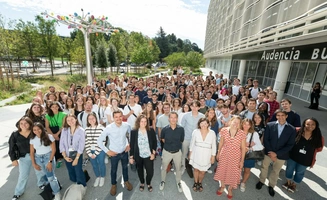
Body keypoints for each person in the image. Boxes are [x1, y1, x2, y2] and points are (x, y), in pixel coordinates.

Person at [256, 109, 296, 197]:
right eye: (278, 115)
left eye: (282, 115)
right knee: (264, 167)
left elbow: (290, 145)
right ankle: (261, 181)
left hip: (282, 155)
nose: (280, 117)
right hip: (268, 152)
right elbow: (266, 140)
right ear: (276, 116)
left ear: (286, 116)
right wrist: (271, 153)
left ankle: (271, 185)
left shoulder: (292, 129)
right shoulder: (270, 125)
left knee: (276, 171)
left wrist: (276, 154)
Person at [282, 118, 324, 193]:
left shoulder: (319, 137)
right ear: (304, 124)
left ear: (316, 125)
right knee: (289, 169)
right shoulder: (297, 131)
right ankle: (288, 182)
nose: (310, 126)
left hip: (306, 159)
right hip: (292, 156)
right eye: (308, 124)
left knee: (300, 172)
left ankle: (294, 184)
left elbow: (319, 148)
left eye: (312, 124)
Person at [97, 110, 133, 196]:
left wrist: (129, 144)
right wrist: (107, 151)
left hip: (124, 152)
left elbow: (131, 134)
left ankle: (126, 181)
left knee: (125, 168)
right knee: (113, 170)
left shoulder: (127, 125)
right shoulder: (109, 128)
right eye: (116, 117)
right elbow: (99, 141)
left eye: (120, 116)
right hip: (114, 154)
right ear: (113, 118)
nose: (118, 118)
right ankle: (113, 184)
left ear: (122, 117)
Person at [8, 117, 44, 200]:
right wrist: (13, 159)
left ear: (30, 124)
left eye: (26, 123)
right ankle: (18, 192)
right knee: (23, 175)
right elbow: (11, 147)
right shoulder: (15, 134)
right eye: (21, 123)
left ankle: (41, 184)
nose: (23, 125)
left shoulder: (34, 132)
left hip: (36, 155)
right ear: (19, 125)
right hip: (24, 157)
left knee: (39, 171)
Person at [214, 116, 246, 199]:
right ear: (231, 121)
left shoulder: (242, 133)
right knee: (222, 170)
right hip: (224, 153)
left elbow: (243, 148)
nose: (236, 124)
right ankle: (222, 186)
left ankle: (230, 188)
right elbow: (221, 142)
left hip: (236, 155)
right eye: (234, 122)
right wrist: (218, 152)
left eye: (238, 123)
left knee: (234, 172)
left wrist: (242, 161)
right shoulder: (224, 130)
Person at [30, 122, 61, 200]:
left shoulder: (49, 136)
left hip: (48, 156)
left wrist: (50, 162)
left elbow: (54, 149)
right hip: (38, 158)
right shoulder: (32, 139)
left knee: (51, 177)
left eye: (38, 129)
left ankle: (57, 192)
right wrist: (34, 163)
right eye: (34, 130)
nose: (37, 131)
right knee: (45, 175)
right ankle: (54, 186)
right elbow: (32, 152)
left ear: (42, 128)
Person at [129, 115, 157, 192]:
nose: (143, 123)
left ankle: (148, 182)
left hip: (148, 155)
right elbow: (132, 144)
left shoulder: (151, 130)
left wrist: (153, 153)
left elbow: (154, 142)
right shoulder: (134, 131)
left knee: (150, 172)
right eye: (142, 121)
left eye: (145, 121)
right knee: (140, 170)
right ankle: (142, 182)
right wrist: (131, 157)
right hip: (138, 155)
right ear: (138, 122)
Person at [159, 111, 185, 193]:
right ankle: (163, 181)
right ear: (169, 119)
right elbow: (163, 139)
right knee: (164, 168)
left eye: (175, 117)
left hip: (177, 152)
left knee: (178, 168)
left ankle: (178, 182)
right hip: (167, 152)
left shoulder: (181, 129)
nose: (173, 119)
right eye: (171, 117)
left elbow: (181, 140)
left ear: (177, 119)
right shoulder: (164, 129)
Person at [189, 118, 216, 192]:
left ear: (208, 124)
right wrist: (190, 153)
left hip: (207, 155)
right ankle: (195, 182)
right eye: (201, 123)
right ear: (199, 124)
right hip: (196, 153)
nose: (203, 125)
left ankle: (200, 182)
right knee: (196, 169)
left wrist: (213, 156)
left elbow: (214, 145)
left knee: (203, 171)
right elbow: (192, 143)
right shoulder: (195, 131)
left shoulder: (212, 133)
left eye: (205, 123)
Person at [59, 114, 87, 187]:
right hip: (67, 154)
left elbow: (81, 146)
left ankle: (82, 185)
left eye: (72, 119)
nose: (70, 121)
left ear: (76, 119)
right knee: (70, 170)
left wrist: (76, 159)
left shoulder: (81, 130)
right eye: (68, 120)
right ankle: (74, 181)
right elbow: (61, 143)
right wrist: (64, 156)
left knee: (78, 170)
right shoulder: (64, 130)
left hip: (77, 154)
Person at [240, 119, 264, 192]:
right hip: (239, 154)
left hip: (249, 155)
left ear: (251, 125)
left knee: (247, 170)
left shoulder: (254, 134)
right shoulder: (238, 132)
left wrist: (250, 147)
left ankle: (243, 183)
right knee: (238, 168)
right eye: (244, 124)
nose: (246, 126)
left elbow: (260, 147)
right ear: (242, 124)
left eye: (248, 124)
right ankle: (236, 178)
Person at [181, 100, 205, 174]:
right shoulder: (186, 115)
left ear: (199, 107)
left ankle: (193, 167)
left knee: (194, 154)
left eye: (196, 106)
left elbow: (203, 128)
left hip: (196, 140)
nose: (194, 108)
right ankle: (183, 167)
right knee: (184, 153)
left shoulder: (202, 116)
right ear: (190, 107)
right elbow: (182, 127)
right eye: (193, 106)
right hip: (186, 138)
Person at [85, 112, 106, 187]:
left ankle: (103, 177)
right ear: (87, 120)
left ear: (96, 119)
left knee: (101, 163)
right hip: (91, 150)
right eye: (89, 119)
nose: (91, 120)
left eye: (93, 118)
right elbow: (86, 142)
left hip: (100, 150)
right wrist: (90, 153)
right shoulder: (87, 129)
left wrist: (96, 153)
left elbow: (103, 141)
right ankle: (98, 176)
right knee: (94, 165)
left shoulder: (101, 128)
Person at [45, 101, 67, 167]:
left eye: (56, 106)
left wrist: (57, 134)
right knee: (54, 146)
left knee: (61, 144)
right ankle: (56, 159)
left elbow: (63, 126)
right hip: (51, 132)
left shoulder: (63, 114)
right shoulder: (47, 116)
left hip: (61, 131)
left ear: (58, 107)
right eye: (52, 107)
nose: (54, 108)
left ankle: (63, 157)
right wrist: (53, 135)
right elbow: (47, 127)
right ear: (50, 108)